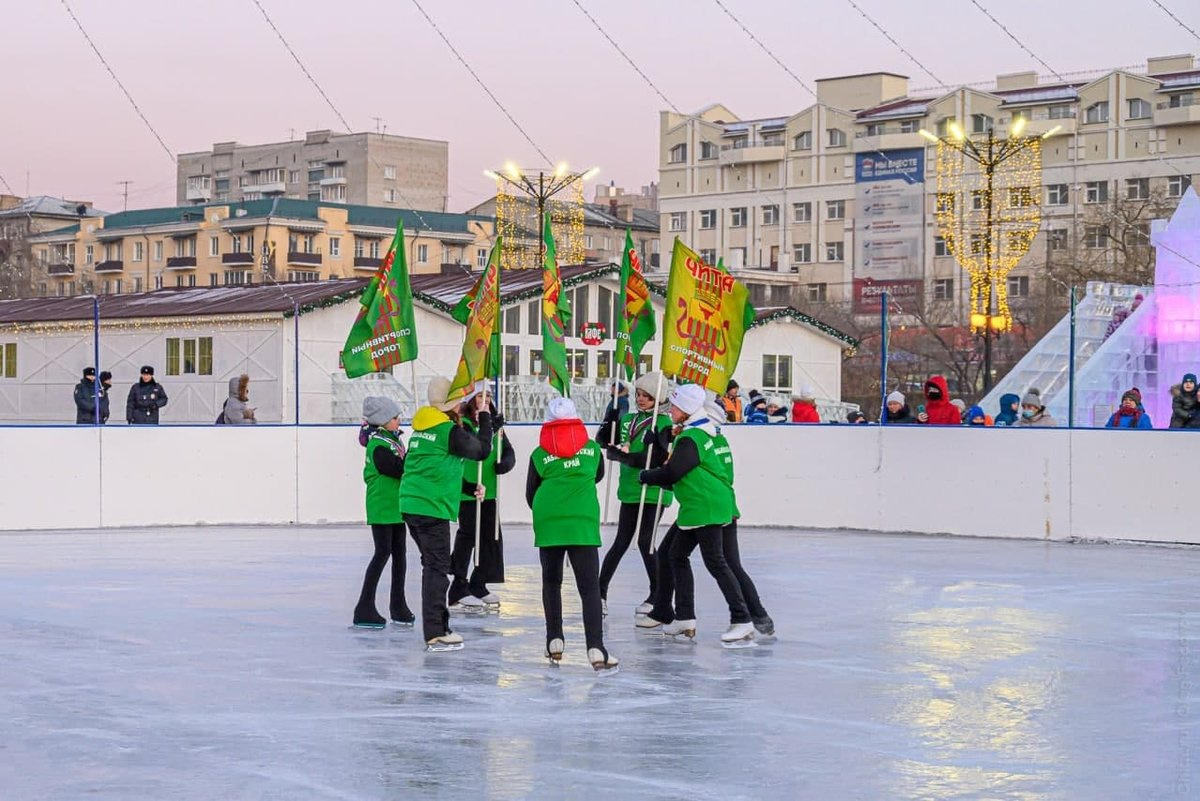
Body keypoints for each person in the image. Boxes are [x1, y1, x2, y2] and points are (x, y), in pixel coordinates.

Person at [637, 383, 755, 646]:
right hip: (699, 506)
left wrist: (647, 476)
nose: (670, 411)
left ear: (687, 410)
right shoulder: (700, 432)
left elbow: (673, 472)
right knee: (672, 554)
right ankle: (685, 617)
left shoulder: (692, 438)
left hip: (706, 506)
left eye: (675, 407)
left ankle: (742, 619)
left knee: (716, 562)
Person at [398, 377, 493, 652]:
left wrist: (467, 486)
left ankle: (439, 625)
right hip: (431, 507)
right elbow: (481, 450)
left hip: (412, 505)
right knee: (437, 568)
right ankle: (436, 631)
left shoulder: (421, 428)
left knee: (433, 565)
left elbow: (431, 468)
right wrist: (485, 418)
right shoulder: (445, 430)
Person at [526, 397, 618, 672]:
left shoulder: (539, 454)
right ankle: (596, 648)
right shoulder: (591, 449)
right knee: (589, 588)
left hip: (549, 521)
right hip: (582, 522)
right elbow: (598, 475)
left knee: (551, 582)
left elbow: (531, 492)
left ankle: (554, 639)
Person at [595, 371, 673, 617]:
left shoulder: (665, 423)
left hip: (653, 491)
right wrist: (609, 421)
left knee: (645, 541)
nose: (640, 400)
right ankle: (599, 593)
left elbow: (657, 459)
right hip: (630, 489)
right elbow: (604, 443)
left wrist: (652, 446)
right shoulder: (628, 418)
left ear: (658, 399)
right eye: (638, 394)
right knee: (620, 542)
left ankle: (657, 596)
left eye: (647, 397)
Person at [448, 388, 515, 612]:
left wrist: (505, 463)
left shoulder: (496, 427)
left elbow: (508, 452)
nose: (484, 400)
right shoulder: (463, 424)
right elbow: (477, 447)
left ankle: (479, 582)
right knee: (468, 536)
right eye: (480, 396)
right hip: (468, 489)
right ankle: (458, 586)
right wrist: (488, 425)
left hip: (490, 491)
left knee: (489, 538)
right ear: (472, 399)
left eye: (488, 396)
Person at [354, 396, 415, 629]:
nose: (399, 421)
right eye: (394, 417)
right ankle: (364, 607)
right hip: (382, 505)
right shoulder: (378, 443)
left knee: (400, 555)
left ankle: (398, 606)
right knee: (383, 553)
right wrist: (412, 457)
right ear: (382, 420)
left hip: (396, 506)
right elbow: (397, 469)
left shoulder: (391, 440)